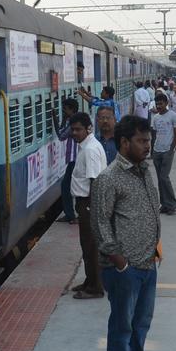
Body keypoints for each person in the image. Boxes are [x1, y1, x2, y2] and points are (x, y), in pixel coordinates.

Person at [89, 115, 168, 351]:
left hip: (147, 262)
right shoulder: (108, 179)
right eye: (141, 141)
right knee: (122, 327)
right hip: (124, 269)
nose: (147, 146)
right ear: (124, 143)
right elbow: (100, 224)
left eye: (149, 140)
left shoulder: (145, 170)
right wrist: (119, 262)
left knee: (141, 323)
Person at [69, 112, 106, 299]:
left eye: (78, 129)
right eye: (73, 129)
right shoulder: (87, 146)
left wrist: (92, 208)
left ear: (88, 129)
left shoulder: (90, 150)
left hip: (88, 203)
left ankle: (95, 287)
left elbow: (95, 181)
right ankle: (90, 280)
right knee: (87, 245)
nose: (75, 133)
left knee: (90, 246)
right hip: (85, 203)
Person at [149, 93, 176, 215]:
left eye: (161, 104)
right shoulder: (155, 118)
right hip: (157, 151)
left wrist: (172, 148)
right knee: (160, 179)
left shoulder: (173, 116)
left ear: (166, 103)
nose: (158, 106)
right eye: (157, 104)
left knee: (164, 177)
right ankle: (164, 204)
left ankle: (173, 204)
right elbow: (154, 135)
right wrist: (152, 150)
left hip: (167, 151)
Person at [56, 97, 81, 223]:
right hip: (76, 158)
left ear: (71, 109)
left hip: (74, 158)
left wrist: (55, 120)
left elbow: (61, 136)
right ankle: (71, 214)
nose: (64, 111)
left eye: (65, 109)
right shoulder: (77, 120)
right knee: (70, 185)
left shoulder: (73, 123)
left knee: (66, 186)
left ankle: (71, 215)